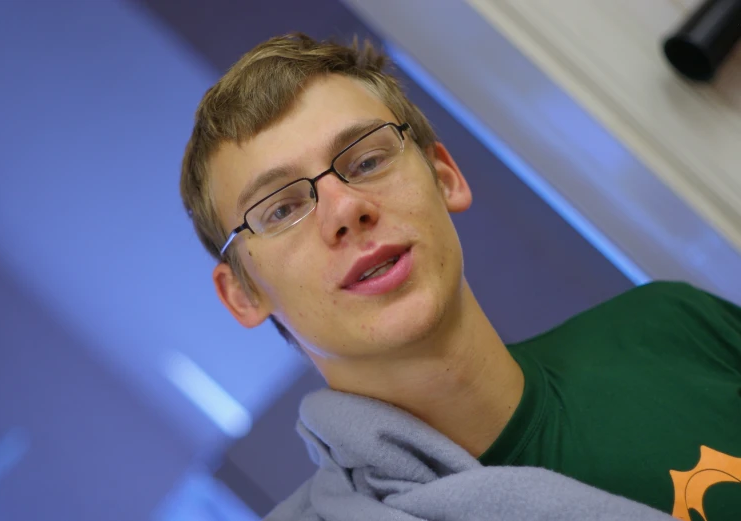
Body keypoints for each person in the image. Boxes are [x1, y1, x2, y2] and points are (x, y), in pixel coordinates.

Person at [179, 33, 741, 521]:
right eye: (280, 209)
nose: (345, 208)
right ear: (243, 295)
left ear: (445, 176)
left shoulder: (673, 327)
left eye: (367, 160)